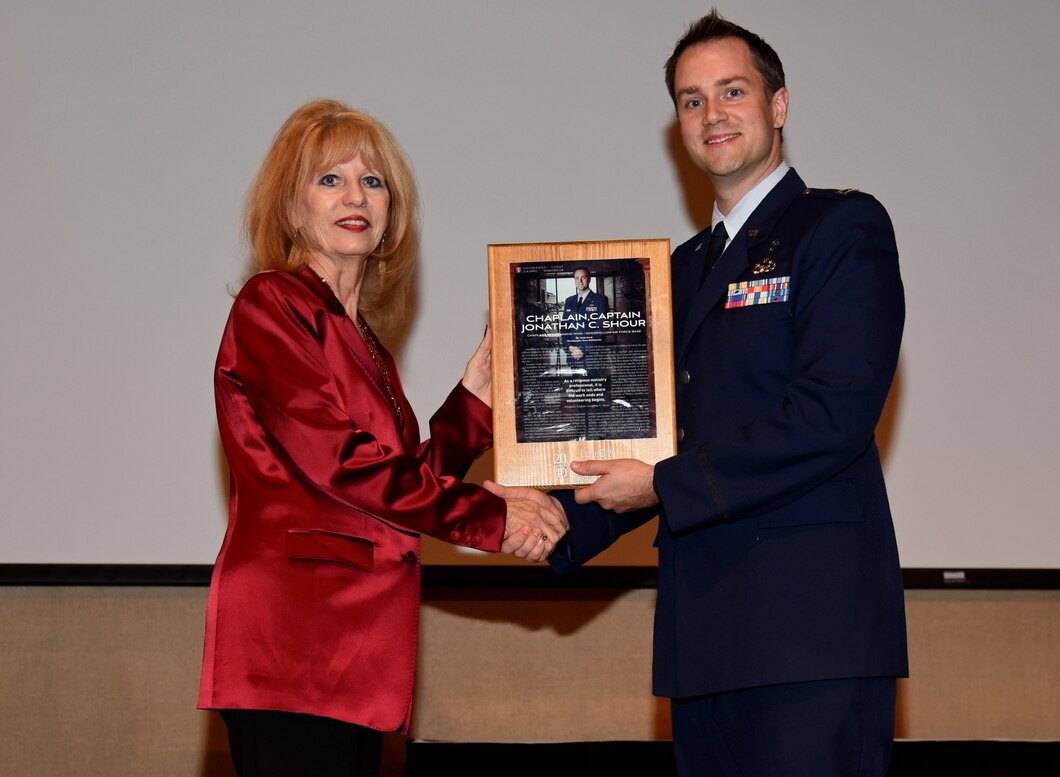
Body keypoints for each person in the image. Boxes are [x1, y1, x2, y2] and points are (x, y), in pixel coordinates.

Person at [533, 10, 907, 776]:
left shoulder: (840, 228)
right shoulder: (672, 272)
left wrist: (660, 484)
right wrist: (546, 522)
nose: (712, 113)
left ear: (778, 105)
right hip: (702, 640)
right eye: (691, 99)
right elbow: (648, 439)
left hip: (811, 636)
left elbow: (831, 414)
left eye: (732, 91)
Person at [198, 99, 566, 777]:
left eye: (374, 181)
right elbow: (344, 466)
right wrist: (492, 514)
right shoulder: (271, 305)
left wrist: (474, 400)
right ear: (291, 206)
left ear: (391, 212)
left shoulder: (364, 343)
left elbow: (394, 480)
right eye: (329, 179)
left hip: (356, 648)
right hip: (294, 642)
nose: (355, 195)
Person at [560, 266, 609, 367]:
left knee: (597, 382)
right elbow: (564, 327)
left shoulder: (600, 300)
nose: (580, 281)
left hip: (592, 356)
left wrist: (582, 349)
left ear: (589, 279)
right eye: (577, 278)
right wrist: (569, 347)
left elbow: (601, 328)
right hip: (573, 354)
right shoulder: (569, 301)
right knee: (574, 382)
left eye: (583, 277)